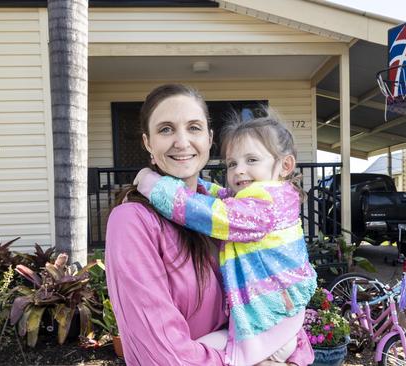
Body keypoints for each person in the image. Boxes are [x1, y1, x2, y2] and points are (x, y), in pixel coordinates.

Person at [105, 84, 315, 366]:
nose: (182, 141)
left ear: (209, 138)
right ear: (147, 143)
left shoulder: (231, 211)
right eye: (166, 129)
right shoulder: (133, 221)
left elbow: (279, 310)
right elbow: (162, 355)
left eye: (194, 127)